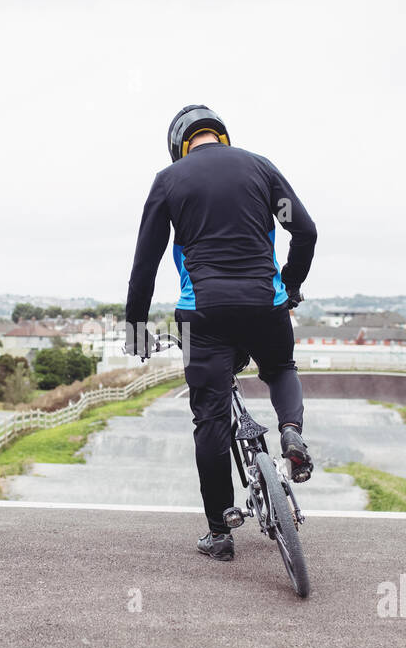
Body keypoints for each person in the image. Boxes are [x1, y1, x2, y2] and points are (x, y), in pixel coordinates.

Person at [123, 104, 317, 562]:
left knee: (208, 418)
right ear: (220, 135)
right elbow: (305, 231)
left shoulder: (169, 181)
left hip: (201, 316)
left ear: (179, 145)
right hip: (264, 306)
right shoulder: (261, 167)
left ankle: (220, 530)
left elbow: (145, 264)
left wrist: (135, 328)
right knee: (280, 366)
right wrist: (288, 286)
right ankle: (291, 432)